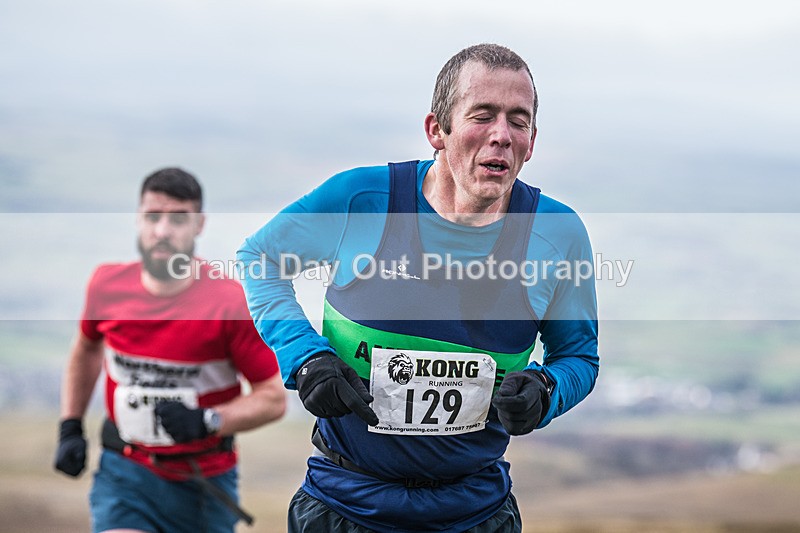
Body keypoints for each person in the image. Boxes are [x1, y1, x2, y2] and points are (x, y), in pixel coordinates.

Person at [237, 43, 599, 532]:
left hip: (475, 513)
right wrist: (305, 358)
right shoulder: (362, 200)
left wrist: (545, 389)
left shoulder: (557, 233)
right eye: (483, 115)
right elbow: (259, 259)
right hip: (345, 507)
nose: (502, 136)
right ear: (437, 130)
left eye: (519, 120)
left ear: (532, 141)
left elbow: (579, 356)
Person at [54, 167, 286, 533]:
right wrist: (70, 425)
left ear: (199, 225)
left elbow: (273, 398)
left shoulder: (228, 304)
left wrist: (208, 420)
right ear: (138, 219)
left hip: (204, 484)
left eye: (178, 219)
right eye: (152, 217)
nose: (162, 230)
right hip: (126, 473)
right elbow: (86, 349)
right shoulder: (106, 286)